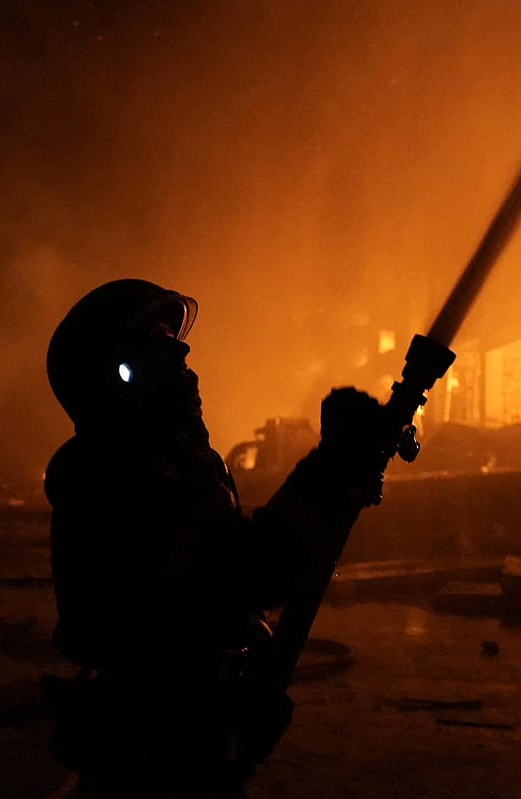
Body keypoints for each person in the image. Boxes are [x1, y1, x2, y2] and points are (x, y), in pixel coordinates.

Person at [41, 278, 388, 798]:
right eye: (158, 341)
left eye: (176, 341)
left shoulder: (178, 463)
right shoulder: (116, 473)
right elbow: (242, 576)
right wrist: (328, 472)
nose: (181, 354)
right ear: (118, 375)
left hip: (182, 731)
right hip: (155, 748)